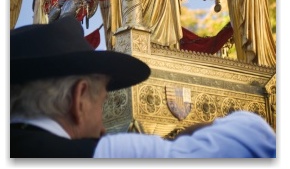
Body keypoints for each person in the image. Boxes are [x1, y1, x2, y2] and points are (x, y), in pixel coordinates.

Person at [11, 16, 276, 158]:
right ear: (79, 99)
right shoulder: (100, 156)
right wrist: (190, 134)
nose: (103, 129)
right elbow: (254, 141)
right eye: (102, 103)